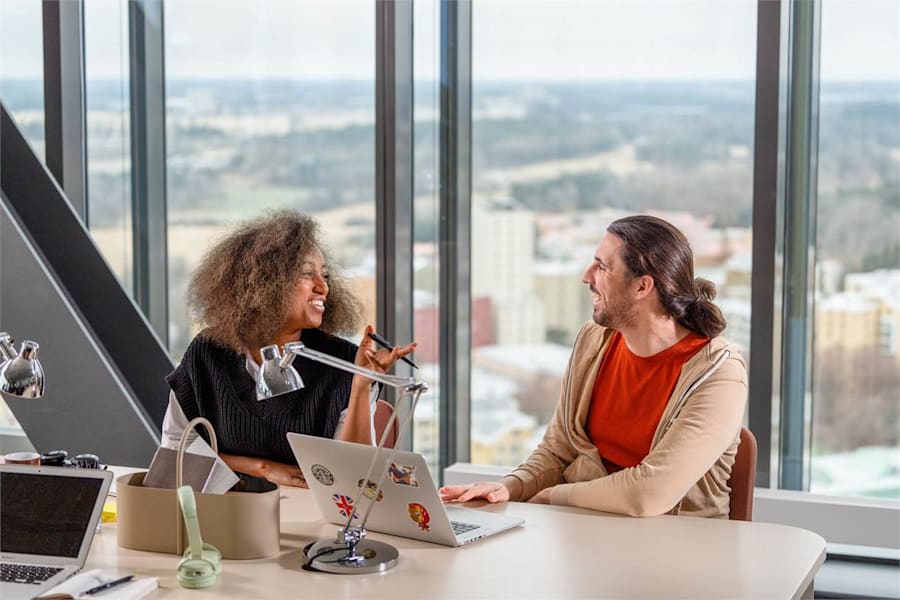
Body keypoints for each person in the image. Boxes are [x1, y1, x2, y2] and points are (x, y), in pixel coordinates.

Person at [440, 215, 748, 518]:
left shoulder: (719, 373)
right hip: (585, 534)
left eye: (602, 266)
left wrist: (554, 497)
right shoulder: (594, 340)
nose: (587, 276)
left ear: (642, 287)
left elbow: (650, 493)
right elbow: (557, 451)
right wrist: (509, 487)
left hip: (679, 550)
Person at [162, 210, 415, 487]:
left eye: (325, 276)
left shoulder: (346, 362)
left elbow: (356, 478)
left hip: (310, 517)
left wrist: (361, 385)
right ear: (263, 282)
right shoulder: (208, 352)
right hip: (228, 512)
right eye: (308, 274)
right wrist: (263, 468)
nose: (323, 287)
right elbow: (175, 449)